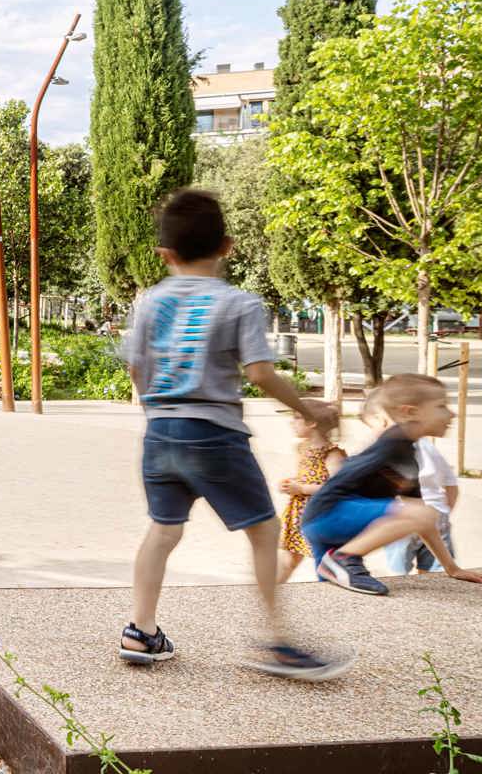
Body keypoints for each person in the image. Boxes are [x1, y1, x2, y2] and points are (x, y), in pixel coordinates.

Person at [117, 189, 347, 680]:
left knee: (163, 530)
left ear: (165, 254)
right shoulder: (239, 303)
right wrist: (309, 408)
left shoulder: (149, 301)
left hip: (160, 433)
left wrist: (161, 409)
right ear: (228, 246)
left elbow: (137, 371)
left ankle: (141, 629)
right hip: (215, 434)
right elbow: (260, 374)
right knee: (264, 532)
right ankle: (277, 643)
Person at [305, 375, 482, 596]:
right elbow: (421, 515)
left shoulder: (407, 452)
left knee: (332, 592)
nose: (451, 414)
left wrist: (452, 568)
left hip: (327, 525)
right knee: (424, 512)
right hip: (330, 514)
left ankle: (340, 560)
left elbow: (422, 521)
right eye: (441, 406)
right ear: (410, 412)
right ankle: (343, 558)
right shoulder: (393, 443)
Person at [381, 424, 461, 576]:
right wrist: (445, 512)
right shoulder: (428, 446)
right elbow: (451, 485)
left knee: (397, 571)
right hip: (436, 514)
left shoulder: (385, 449)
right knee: (434, 571)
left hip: (403, 515)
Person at [275, 415, 344, 583]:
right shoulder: (302, 447)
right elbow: (306, 476)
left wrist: (302, 489)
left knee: (329, 560)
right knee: (290, 559)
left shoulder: (332, 453)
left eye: (296, 418)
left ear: (312, 423)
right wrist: (291, 484)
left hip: (321, 512)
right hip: (299, 512)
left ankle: (336, 595)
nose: (291, 422)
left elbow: (336, 486)